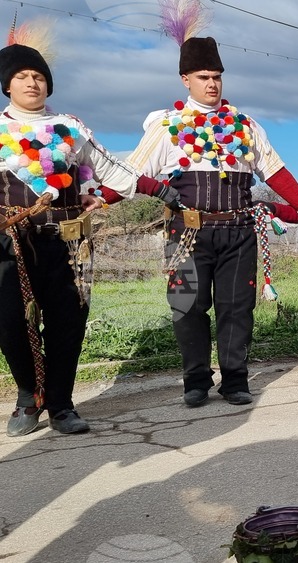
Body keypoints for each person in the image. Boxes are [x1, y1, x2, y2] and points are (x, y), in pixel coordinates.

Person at [127, 10, 298, 407]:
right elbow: (129, 175)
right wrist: (101, 198)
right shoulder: (166, 127)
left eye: (217, 77)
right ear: (186, 80)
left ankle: (235, 380)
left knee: (237, 308)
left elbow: (276, 172)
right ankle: (196, 381)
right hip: (186, 234)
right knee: (187, 307)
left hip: (238, 231)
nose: (212, 84)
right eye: (203, 77)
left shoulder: (245, 125)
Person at [1, 23, 181, 436]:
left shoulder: (70, 127)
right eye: (23, 76)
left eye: (40, 76)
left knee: (68, 321)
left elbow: (116, 172)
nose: (33, 82)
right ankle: (30, 398)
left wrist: (152, 190)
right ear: (7, 85)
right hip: (9, 246)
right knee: (11, 322)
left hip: (66, 245)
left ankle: (61, 404)